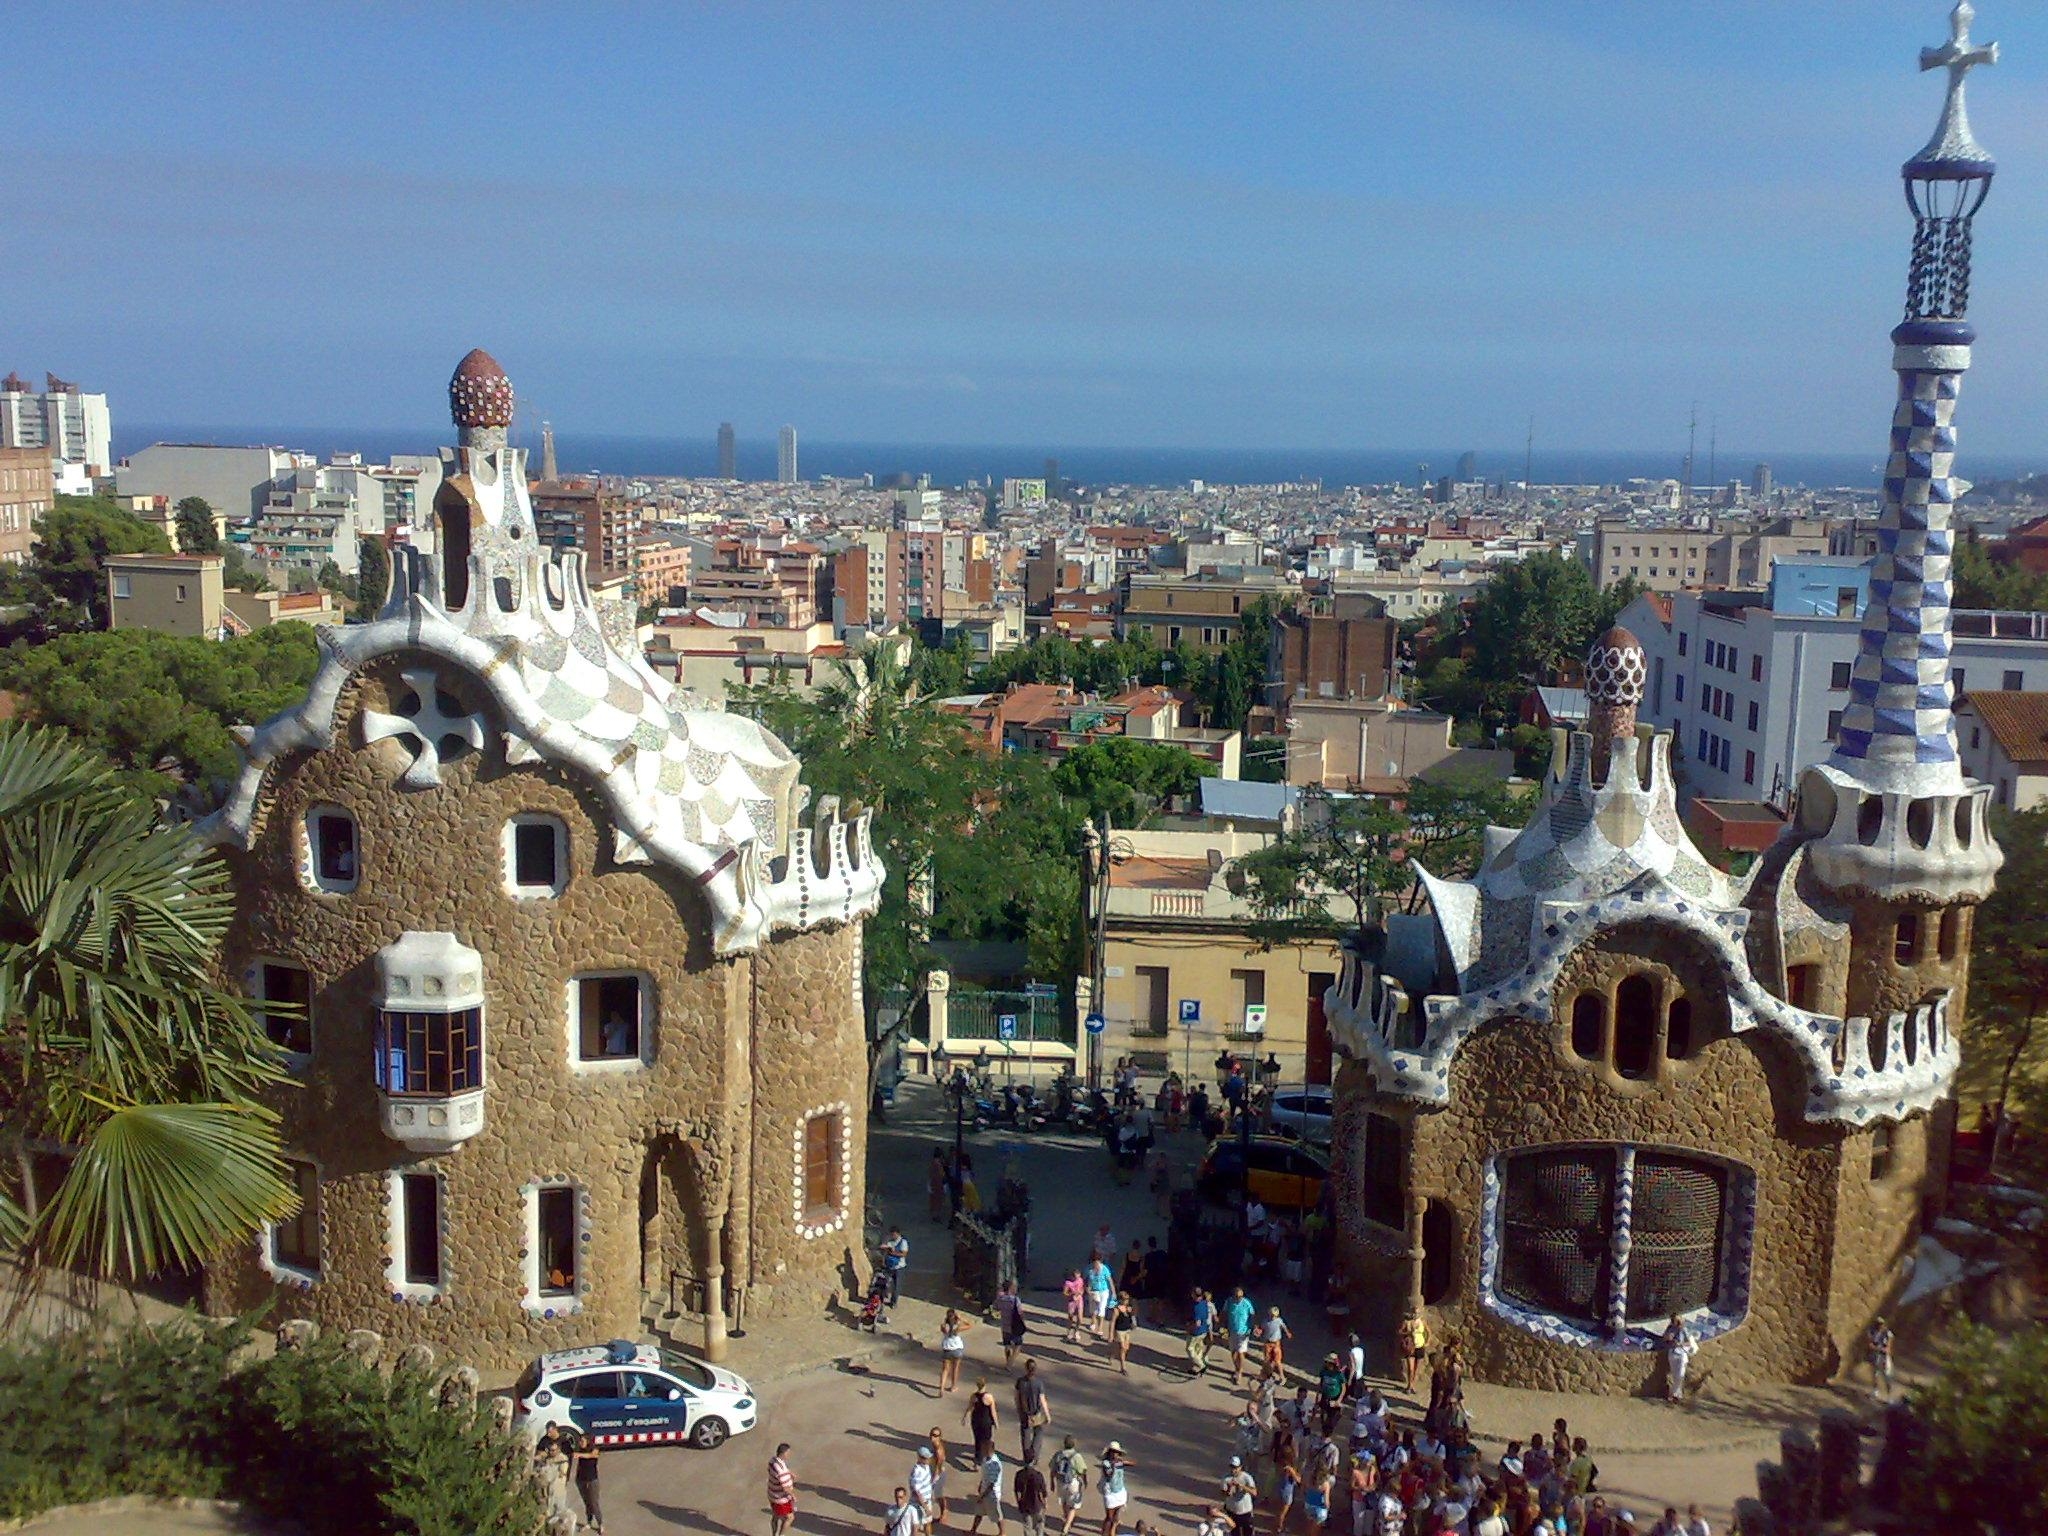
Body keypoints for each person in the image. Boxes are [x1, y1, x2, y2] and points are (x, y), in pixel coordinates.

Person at [533, 1424, 573, 1523]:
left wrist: (565, 1474)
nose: (548, 1434)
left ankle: (559, 1518)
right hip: (547, 1477)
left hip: (559, 1477)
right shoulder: (545, 1440)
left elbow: (567, 1460)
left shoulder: (564, 1442)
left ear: (555, 1430)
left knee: (558, 1499)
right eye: (547, 1432)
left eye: (550, 1432)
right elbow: (539, 1453)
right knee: (547, 1500)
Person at [1051, 1435, 1090, 1536]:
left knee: (1064, 1502)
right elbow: (1082, 1470)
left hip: (1060, 1482)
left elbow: (1052, 1469)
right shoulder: (1077, 1456)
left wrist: (1052, 1482)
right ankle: (1067, 1526)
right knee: (1073, 1506)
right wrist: (1085, 1481)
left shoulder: (1058, 1455)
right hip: (1073, 1483)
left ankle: (1066, 1517)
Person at [1015, 1359, 1051, 1464]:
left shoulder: (1020, 1382)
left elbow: (1017, 1397)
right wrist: (1047, 1415)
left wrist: (1018, 1409)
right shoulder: (1038, 1383)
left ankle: (1027, 1458)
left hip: (1025, 1413)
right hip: (1036, 1413)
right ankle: (1034, 1455)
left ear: (1026, 1369)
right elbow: (1042, 1399)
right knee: (1038, 1434)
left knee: (1025, 1436)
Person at [1223, 1287, 1257, 1386]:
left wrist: (1252, 1327)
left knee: (1241, 1352)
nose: (1239, 1298)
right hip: (1231, 1330)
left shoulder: (1246, 1303)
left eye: (1241, 1296)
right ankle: (1237, 1368)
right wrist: (1222, 1325)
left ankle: (1239, 1372)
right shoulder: (1229, 1302)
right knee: (1233, 1351)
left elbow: (1252, 1315)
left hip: (1243, 1331)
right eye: (1237, 1296)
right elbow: (1224, 1313)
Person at [970, 1445, 1006, 1536]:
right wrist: (981, 1485)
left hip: (991, 1494)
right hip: (984, 1491)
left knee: (996, 1515)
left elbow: (991, 1484)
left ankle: (1002, 1533)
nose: (981, 1451)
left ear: (989, 1450)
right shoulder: (986, 1459)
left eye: (983, 1449)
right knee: (979, 1512)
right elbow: (985, 1476)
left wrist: (982, 1496)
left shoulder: (994, 1464)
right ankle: (973, 1531)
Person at [1098, 1443, 1132, 1536]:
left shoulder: (1119, 1462)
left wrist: (1123, 1463)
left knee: (1116, 1516)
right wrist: (1114, 1464)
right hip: (1110, 1493)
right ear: (1109, 1452)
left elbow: (1132, 1463)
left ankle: (1112, 1533)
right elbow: (1109, 1474)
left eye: (1116, 1452)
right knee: (1109, 1517)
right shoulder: (1106, 1463)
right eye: (1112, 1452)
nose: (1114, 1454)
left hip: (1120, 1492)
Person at [1223, 1456, 1260, 1536]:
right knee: (1234, 1533)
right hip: (1232, 1511)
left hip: (1245, 1511)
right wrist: (1229, 1488)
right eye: (1232, 1467)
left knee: (1248, 1532)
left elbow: (1254, 1492)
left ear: (1240, 1467)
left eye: (1236, 1468)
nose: (1234, 1470)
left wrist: (1242, 1487)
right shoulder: (1226, 1478)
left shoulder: (1247, 1477)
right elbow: (1223, 1494)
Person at [966, 1377, 1001, 1461]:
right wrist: (996, 1423)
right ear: (985, 1385)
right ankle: (986, 1458)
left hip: (976, 1421)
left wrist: (965, 1417)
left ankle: (977, 1459)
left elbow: (970, 1408)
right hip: (986, 1421)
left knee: (977, 1440)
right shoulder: (989, 1397)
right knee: (986, 1441)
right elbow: (993, 1412)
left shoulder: (974, 1396)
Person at [1663, 1315, 1695, 1403]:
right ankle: (1677, 1395)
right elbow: (1664, 1338)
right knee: (1675, 1375)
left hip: (1682, 1353)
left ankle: (1672, 1394)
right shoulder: (1670, 1329)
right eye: (1674, 1321)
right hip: (1672, 1353)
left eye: (1677, 1321)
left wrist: (1681, 1343)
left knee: (1680, 1374)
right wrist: (1668, 1337)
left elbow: (1689, 1342)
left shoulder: (1683, 1329)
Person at [1017, 1455, 1050, 1536]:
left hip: (1025, 1504)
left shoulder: (1019, 1474)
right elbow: (1043, 1491)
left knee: (1027, 1526)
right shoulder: (1038, 1475)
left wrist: (1019, 1502)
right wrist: (1045, 1503)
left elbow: (1017, 1491)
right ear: (1033, 1462)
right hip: (1037, 1504)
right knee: (1039, 1524)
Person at [768, 1443, 797, 1536]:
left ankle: (774, 1534)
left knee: (775, 1516)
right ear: (783, 1453)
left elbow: (777, 1471)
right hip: (780, 1498)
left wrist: (789, 1473)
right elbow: (785, 1488)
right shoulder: (781, 1471)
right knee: (789, 1518)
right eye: (788, 1453)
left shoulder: (773, 1461)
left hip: (772, 1493)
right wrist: (793, 1495)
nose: (789, 1455)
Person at [939, 1310, 971, 1393]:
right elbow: (969, 1325)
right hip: (957, 1349)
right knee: (955, 1369)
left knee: (945, 1369)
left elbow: (943, 1330)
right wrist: (961, 1318)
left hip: (947, 1349)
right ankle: (953, 1386)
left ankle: (941, 1387)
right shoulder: (958, 1327)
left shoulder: (944, 1326)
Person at [1085, 1255, 1116, 1340]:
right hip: (1094, 1291)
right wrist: (1088, 1290)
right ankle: (1093, 1321)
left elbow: (1110, 1280)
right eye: (1095, 1262)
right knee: (1093, 1309)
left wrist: (1113, 1292)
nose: (1096, 1265)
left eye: (1098, 1262)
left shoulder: (1105, 1269)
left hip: (1103, 1291)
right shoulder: (1090, 1270)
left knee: (1101, 1309)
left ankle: (1100, 1328)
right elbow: (1089, 1282)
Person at [1272, 1445, 1301, 1536]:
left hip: (1278, 1487)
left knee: (1278, 1510)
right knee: (1282, 1512)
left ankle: (1277, 1527)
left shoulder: (1279, 1464)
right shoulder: (1289, 1468)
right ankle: (1279, 1529)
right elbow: (1298, 1480)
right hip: (1287, 1491)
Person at [998, 1281, 1028, 1369]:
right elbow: (1020, 1312)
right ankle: (1010, 1362)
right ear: (1010, 1288)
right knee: (1018, 1345)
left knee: (1007, 1344)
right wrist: (1023, 1321)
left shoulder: (1001, 1298)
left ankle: (1008, 1362)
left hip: (1005, 1324)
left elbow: (996, 1307)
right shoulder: (1015, 1299)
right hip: (1015, 1325)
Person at [1865, 1315, 1895, 1401]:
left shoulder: (1887, 1333)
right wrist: (1880, 1348)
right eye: (1878, 1324)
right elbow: (1870, 1344)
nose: (1880, 1325)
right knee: (1875, 1374)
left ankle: (1890, 1396)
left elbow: (1888, 1347)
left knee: (1887, 1376)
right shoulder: (1872, 1331)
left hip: (1884, 1357)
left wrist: (1882, 1349)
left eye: (1881, 1324)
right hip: (1875, 1355)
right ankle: (1876, 1391)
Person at [1397, 1312, 1427, 1395]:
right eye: (1414, 1312)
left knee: (1416, 1369)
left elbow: (1428, 1332)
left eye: (1417, 1312)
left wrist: (1427, 1342)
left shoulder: (1422, 1322)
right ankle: (1409, 1385)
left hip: (1420, 1346)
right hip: (1411, 1347)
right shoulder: (1407, 1322)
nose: (1415, 1314)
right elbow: (1399, 1332)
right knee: (1411, 1368)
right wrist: (1408, 1332)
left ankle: (1412, 1385)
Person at [928, 1429, 953, 1526]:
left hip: (938, 1474)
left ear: (939, 1437)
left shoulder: (938, 1449)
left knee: (938, 1495)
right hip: (935, 1472)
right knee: (938, 1495)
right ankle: (942, 1513)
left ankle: (944, 1513)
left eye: (935, 1435)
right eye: (932, 1435)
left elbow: (939, 1464)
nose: (932, 1437)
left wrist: (934, 1478)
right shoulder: (934, 1446)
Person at [1108, 1291, 1138, 1373]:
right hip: (1119, 1331)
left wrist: (1131, 1312)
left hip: (1127, 1330)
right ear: (1120, 1300)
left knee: (1126, 1348)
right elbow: (1112, 1322)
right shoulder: (1116, 1310)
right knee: (1122, 1347)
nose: (1126, 1301)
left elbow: (1133, 1316)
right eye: (1125, 1299)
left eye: (1127, 1299)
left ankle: (1113, 1354)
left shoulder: (1128, 1308)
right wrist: (1110, 1335)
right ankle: (1123, 1367)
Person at [1261, 1305, 1294, 1373]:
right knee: (1267, 1360)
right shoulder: (1265, 1321)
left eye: (1274, 1315)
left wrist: (1287, 1333)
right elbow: (1262, 1329)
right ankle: (1268, 1374)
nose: (1273, 1316)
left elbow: (1284, 1327)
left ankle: (1282, 1377)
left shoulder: (1279, 1321)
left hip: (1276, 1343)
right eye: (1271, 1314)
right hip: (1268, 1343)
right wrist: (1258, 1331)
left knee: (1277, 1361)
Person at [883, 1226, 911, 1306]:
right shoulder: (890, 1242)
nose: (893, 1236)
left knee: (896, 1286)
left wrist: (893, 1253)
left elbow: (904, 1254)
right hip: (889, 1266)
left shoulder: (903, 1242)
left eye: (894, 1234)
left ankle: (893, 1302)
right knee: (885, 1282)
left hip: (899, 1267)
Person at [1063, 1270, 1087, 1343]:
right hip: (1071, 1301)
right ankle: (1069, 1331)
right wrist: (1071, 1294)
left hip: (1079, 1300)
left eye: (1078, 1275)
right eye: (1075, 1275)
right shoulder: (1068, 1283)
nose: (1077, 1277)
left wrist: (1081, 1293)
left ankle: (1077, 1330)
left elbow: (1082, 1288)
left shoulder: (1080, 1280)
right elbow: (1065, 1293)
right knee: (1071, 1316)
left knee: (1080, 1318)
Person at [931, 1147, 952, 1223]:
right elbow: (941, 1174)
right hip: (938, 1183)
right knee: (938, 1200)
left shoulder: (934, 1162)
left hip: (934, 1183)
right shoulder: (938, 1164)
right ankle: (936, 1215)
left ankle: (935, 1214)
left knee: (935, 1200)